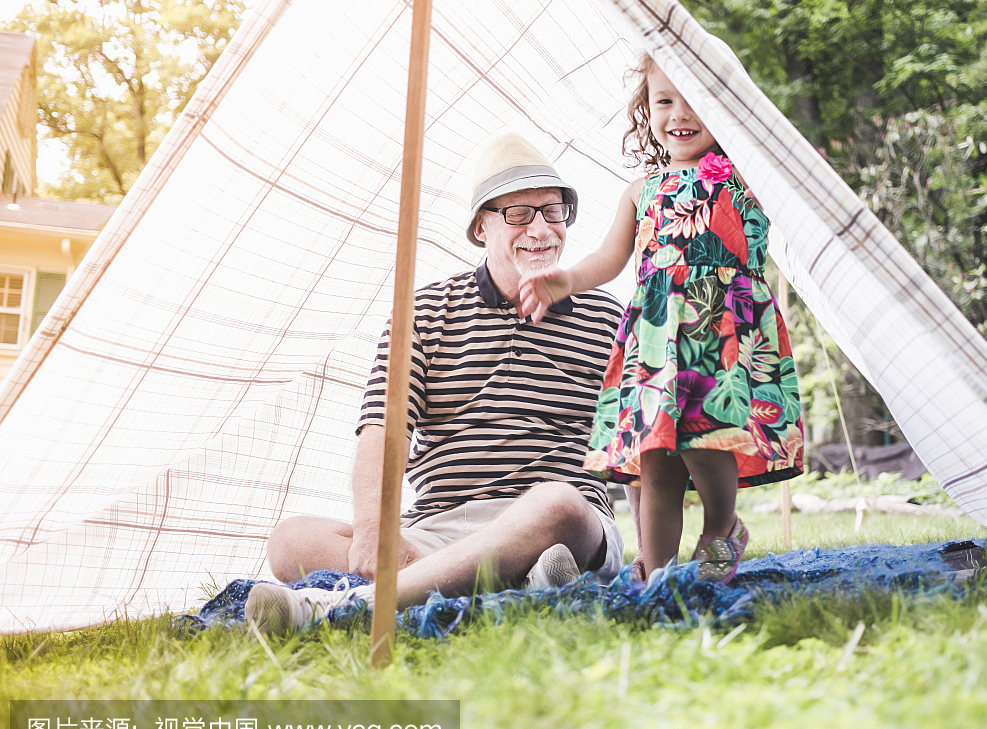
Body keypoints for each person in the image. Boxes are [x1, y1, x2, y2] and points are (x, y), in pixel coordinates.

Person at [245, 133, 626, 634]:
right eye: (518, 214)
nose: (541, 228)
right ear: (481, 227)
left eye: (553, 212)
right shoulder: (425, 311)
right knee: (290, 540)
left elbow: (641, 442)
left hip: (556, 518)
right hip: (439, 526)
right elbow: (385, 425)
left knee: (557, 504)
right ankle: (515, 581)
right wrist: (372, 528)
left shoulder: (609, 318)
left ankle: (350, 607)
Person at [520, 54, 804, 583]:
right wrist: (566, 279)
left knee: (704, 440)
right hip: (656, 339)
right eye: (664, 100)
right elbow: (609, 258)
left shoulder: (746, 177)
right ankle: (658, 571)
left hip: (719, 332)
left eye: (695, 99)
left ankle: (723, 529)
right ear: (646, 109)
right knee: (654, 459)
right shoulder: (642, 190)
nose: (678, 113)